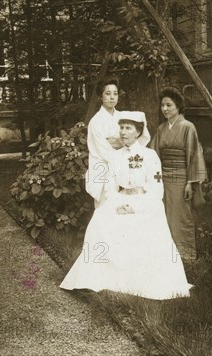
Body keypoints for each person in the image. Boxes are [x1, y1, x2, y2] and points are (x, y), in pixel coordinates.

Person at [61, 112, 192, 300]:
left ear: (138, 132)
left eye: (128, 128)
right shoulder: (115, 157)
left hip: (145, 202)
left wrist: (136, 207)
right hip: (121, 200)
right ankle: (93, 277)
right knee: (99, 219)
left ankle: (139, 281)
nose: (123, 132)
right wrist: (117, 204)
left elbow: (156, 189)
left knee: (140, 226)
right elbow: (110, 187)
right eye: (121, 127)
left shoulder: (149, 155)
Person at [150, 87, 207, 263]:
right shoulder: (161, 129)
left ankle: (186, 255)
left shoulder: (188, 127)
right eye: (163, 106)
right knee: (163, 215)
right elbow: (153, 154)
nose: (165, 109)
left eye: (169, 105)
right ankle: (167, 256)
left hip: (182, 177)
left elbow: (194, 154)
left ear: (178, 107)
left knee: (181, 216)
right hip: (162, 177)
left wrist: (190, 182)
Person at [85, 76, 151, 208]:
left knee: (123, 209)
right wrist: (123, 144)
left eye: (115, 94)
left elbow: (140, 137)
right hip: (102, 168)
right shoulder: (96, 121)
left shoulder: (123, 117)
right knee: (104, 208)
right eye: (107, 93)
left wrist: (117, 143)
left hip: (123, 165)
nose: (112, 97)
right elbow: (102, 150)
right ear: (100, 97)